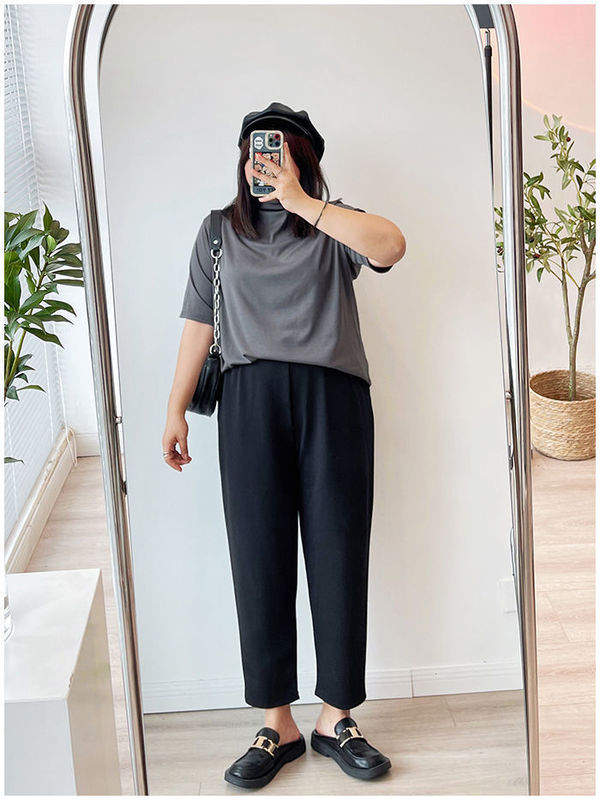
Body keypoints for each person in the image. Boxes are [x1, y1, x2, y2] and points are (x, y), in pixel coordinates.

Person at [163, 102, 406, 789]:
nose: (262, 162)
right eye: (253, 151)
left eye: (277, 151)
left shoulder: (332, 224)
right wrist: (174, 409)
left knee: (338, 553)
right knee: (258, 558)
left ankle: (336, 718)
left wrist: (304, 203)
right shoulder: (218, 232)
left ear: (303, 160)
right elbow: (198, 322)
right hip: (248, 403)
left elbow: (391, 246)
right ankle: (277, 723)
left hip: (335, 402)